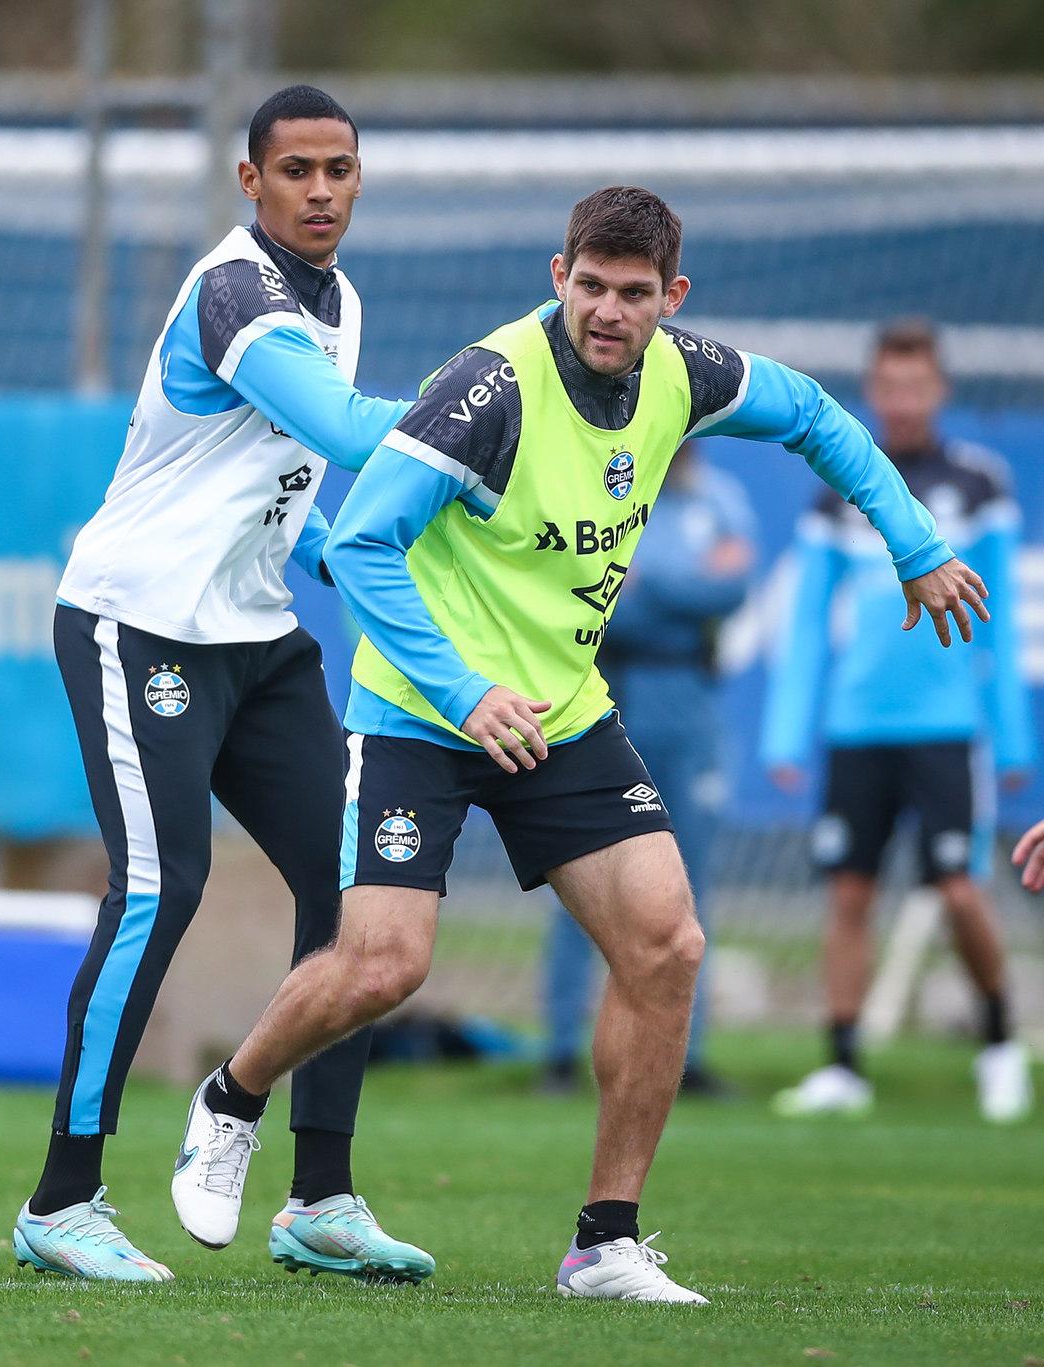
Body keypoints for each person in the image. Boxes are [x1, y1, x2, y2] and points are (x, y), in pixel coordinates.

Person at [173, 186, 985, 1304]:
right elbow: (361, 544)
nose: (607, 311)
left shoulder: (686, 375)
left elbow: (811, 415)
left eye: (633, 293)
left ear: (671, 297)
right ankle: (230, 1098)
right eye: (589, 286)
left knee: (667, 944)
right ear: (558, 275)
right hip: (422, 707)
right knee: (384, 964)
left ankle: (603, 1241)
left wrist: (913, 543)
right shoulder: (485, 388)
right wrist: (462, 691)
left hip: (559, 713)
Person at [12, 86, 432, 1285]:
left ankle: (320, 1195)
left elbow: (283, 481)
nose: (318, 189)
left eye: (338, 169)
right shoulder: (232, 290)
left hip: (254, 634)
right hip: (136, 622)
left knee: (359, 888)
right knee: (160, 885)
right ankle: (62, 1197)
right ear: (249, 184)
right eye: (293, 169)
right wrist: (495, 415)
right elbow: (348, 433)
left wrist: (325, 562)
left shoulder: (338, 298)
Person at [763, 319, 1033, 1124]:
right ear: (874, 391)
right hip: (856, 728)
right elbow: (807, 620)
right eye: (890, 385)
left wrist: (1011, 738)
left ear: (939, 390)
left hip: (946, 726)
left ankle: (998, 1042)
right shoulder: (837, 486)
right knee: (849, 892)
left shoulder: (978, 484)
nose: (903, 399)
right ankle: (843, 1064)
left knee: (958, 888)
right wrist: (786, 732)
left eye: (918, 385)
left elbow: (1004, 617)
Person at [540, 442, 755, 1099]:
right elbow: (594, 600)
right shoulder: (598, 491)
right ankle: (560, 1049)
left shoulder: (720, 499)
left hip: (688, 705)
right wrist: (684, 583)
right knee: (586, 875)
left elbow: (734, 585)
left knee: (690, 884)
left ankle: (688, 1055)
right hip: (607, 695)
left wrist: (647, 578)